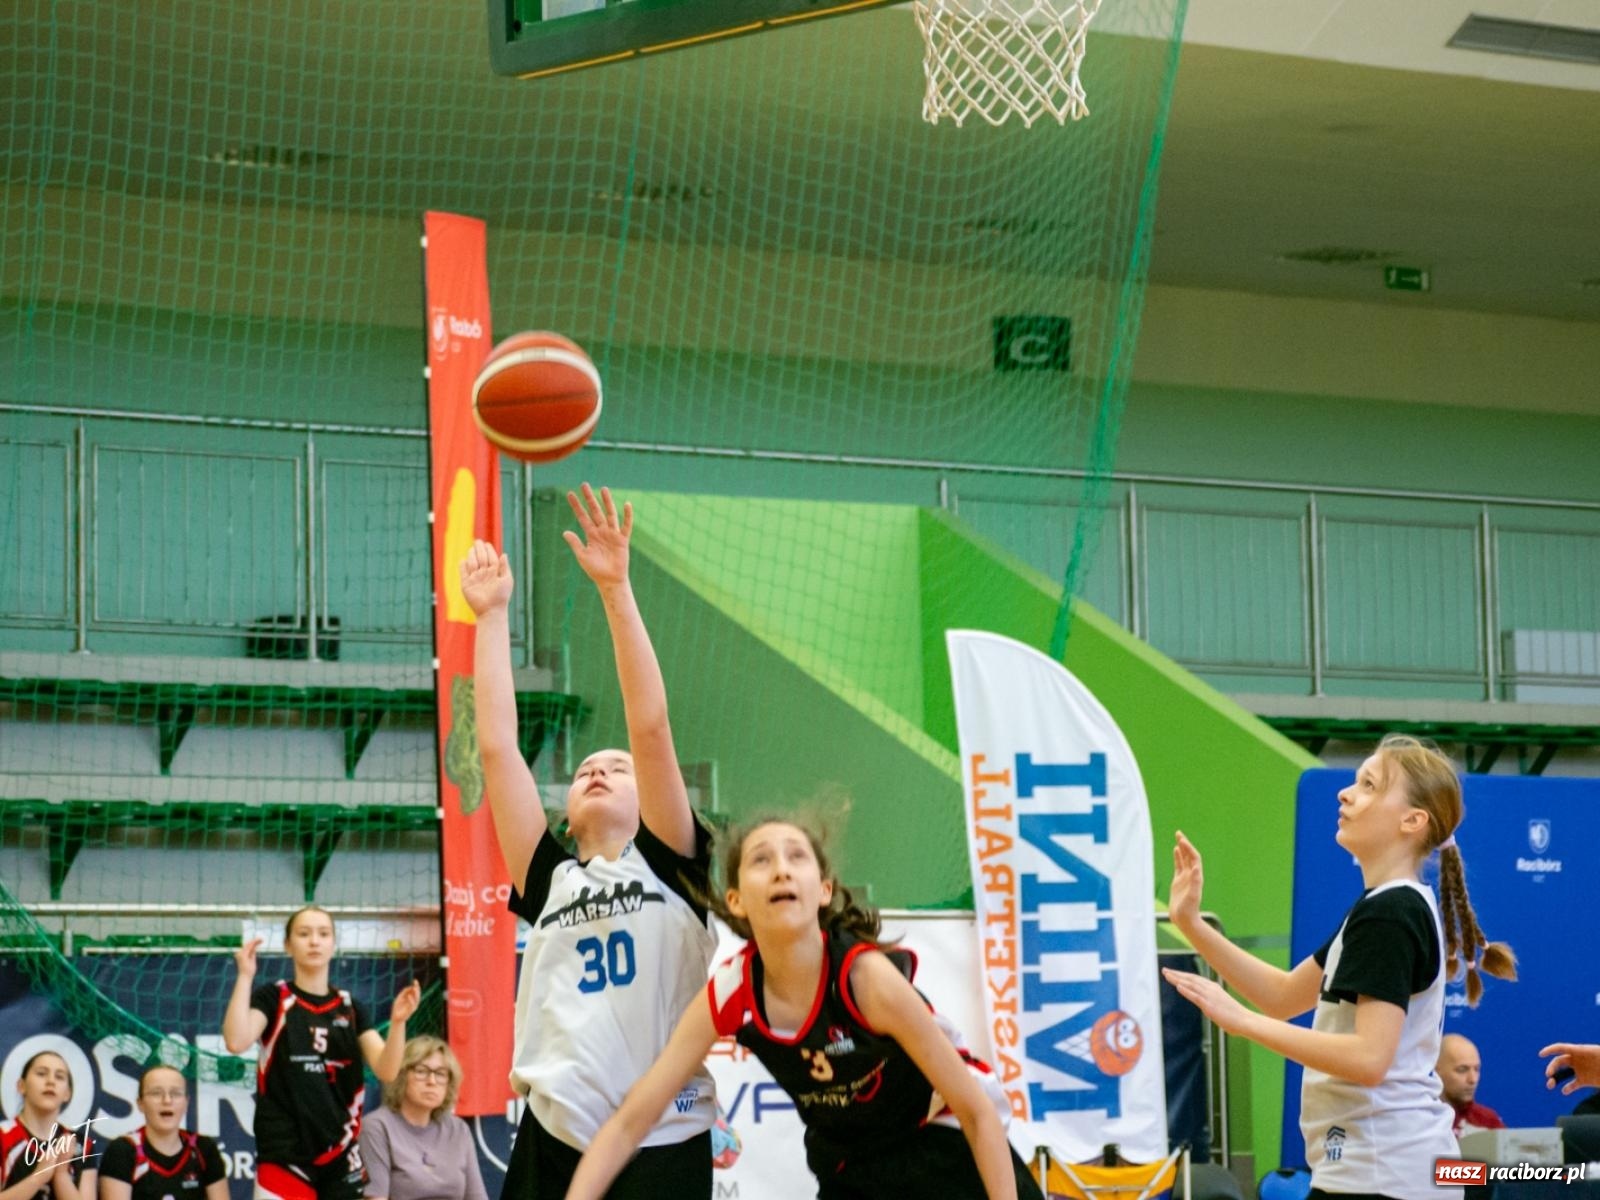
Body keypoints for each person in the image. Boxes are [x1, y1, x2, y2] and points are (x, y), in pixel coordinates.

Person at [563, 817, 1044, 1200]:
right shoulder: (733, 991)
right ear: (736, 901)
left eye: (797, 857)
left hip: (942, 1141)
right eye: (761, 859)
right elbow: (630, 1122)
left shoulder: (865, 980)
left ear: (824, 890)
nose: (781, 869)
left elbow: (977, 1112)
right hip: (852, 1164)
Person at [459, 483, 716, 1199]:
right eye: (584, 770)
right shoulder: (550, 882)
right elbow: (498, 749)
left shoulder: (672, 865)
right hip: (554, 1132)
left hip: (663, 1133)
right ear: (566, 816)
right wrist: (491, 616)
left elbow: (651, 724)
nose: (599, 768)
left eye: (617, 768)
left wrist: (615, 588)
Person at [1162, 735, 1516, 1200]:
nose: (1345, 793)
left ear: (1412, 820)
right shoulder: (1383, 906)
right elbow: (1284, 996)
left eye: (1368, 785)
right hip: (1378, 1169)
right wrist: (1190, 923)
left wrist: (1242, 1022)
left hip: (1383, 1173)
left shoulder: (1390, 912)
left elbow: (1369, 1058)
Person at [222, 905, 421, 1200]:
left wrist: (398, 1023)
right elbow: (236, 1041)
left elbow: (387, 1069)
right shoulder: (274, 998)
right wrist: (245, 976)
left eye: (323, 934)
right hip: (284, 1155)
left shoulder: (350, 1007)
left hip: (340, 1155)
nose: (314, 941)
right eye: (304, 934)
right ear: (288, 945)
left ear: (333, 943)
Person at [358, 1037, 487, 1200]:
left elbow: (477, 1197)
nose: (432, 1081)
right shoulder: (377, 1127)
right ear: (401, 1075)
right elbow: (376, 1197)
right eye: (421, 1071)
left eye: (440, 1074)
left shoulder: (458, 1129)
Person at [98, 1065, 226, 1200]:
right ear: (140, 1103)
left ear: (186, 1103)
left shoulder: (203, 1148)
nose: (167, 1100)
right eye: (156, 1093)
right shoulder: (122, 1150)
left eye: (176, 1093)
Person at [0, 1050, 96, 1200]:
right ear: (21, 1086)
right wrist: (37, 1179)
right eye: (41, 1073)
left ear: (67, 1094)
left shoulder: (83, 1145)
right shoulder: (3, 1136)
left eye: (59, 1077)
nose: (51, 1081)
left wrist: (61, 1174)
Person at [1436, 1035, 1503, 1137]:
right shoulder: (1417, 1119)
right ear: (1436, 1070)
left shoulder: (1488, 1122)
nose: (1473, 1079)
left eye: (1476, 1069)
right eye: (1462, 1070)